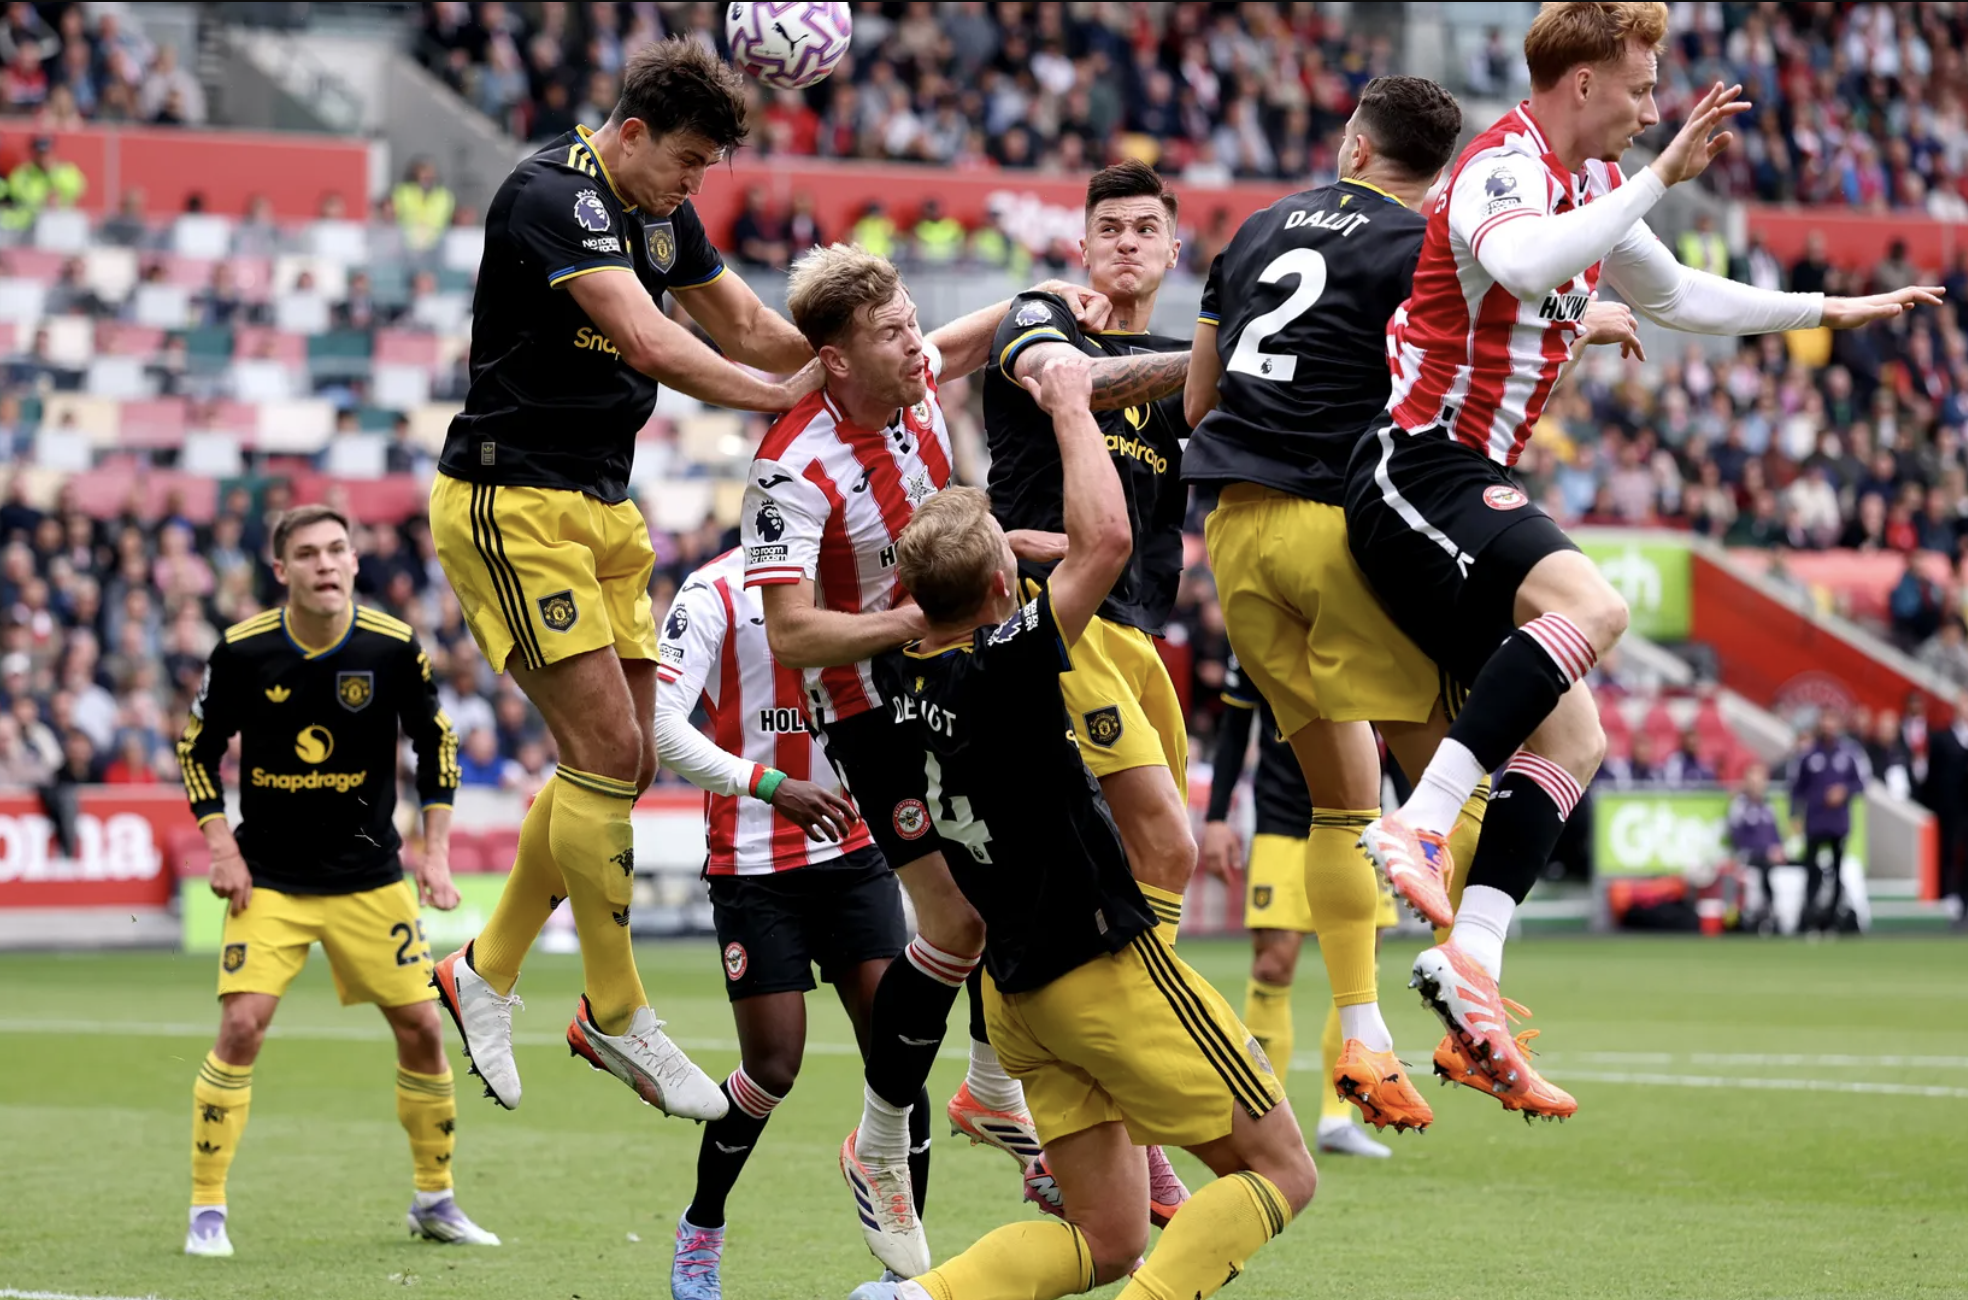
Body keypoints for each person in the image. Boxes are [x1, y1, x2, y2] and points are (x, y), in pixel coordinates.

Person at [1340, 2, 1941, 1113]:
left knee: (1579, 735)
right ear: (1580, 83)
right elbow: (1522, 267)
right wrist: (1657, 174)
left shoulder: (1596, 193)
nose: (1656, 105)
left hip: (1467, 482)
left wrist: (1833, 309)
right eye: (1642, 85)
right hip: (1412, 468)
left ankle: (1470, 979)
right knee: (1598, 609)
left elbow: (1680, 297)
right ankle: (1418, 823)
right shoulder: (1500, 168)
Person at [426, 38, 837, 1125]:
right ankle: (616, 1008)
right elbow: (652, 339)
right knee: (610, 750)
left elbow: (746, 322)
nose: (695, 184)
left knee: (617, 752)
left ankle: (485, 967)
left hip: (603, 504)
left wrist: (845, 371)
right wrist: (776, 400)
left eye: (708, 169)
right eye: (688, 162)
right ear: (634, 132)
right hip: (512, 501)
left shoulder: (661, 208)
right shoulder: (550, 194)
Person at [849, 352, 1315, 1300]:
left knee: (1106, 1240)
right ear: (996, 592)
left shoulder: (898, 675)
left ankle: (915, 1299)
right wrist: (1067, 403)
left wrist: (987, 552)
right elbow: (1104, 542)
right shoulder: (1006, 667)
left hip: (1016, 997)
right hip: (1096, 963)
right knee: (1280, 1171)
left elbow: (942, 600)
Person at [743, 243, 1110, 1275]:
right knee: (957, 917)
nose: (918, 346)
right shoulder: (791, 467)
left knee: (1009, 883)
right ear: (835, 361)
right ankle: (879, 1140)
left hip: (958, 664)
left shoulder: (905, 379)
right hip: (871, 702)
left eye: (914, 323)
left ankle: (989, 1089)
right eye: (893, 333)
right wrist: (905, 618)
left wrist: (1049, 300)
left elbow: (975, 333)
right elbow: (793, 636)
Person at [1182, 75, 1483, 1132]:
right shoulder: (1425, 246)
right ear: (1435, 167)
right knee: (1454, 767)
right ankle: (1469, 988)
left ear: (1356, 143)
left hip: (1233, 537)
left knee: (1344, 797)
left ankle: (1361, 1031)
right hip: (1333, 524)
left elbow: (1195, 400)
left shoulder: (1257, 227)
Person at [175, 505, 490, 1258]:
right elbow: (196, 751)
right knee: (242, 1026)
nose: (325, 563)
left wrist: (435, 852)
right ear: (280, 571)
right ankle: (206, 1210)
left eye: (337, 550)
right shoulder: (244, 652)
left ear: (354, 562)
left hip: (371, 877)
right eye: (308, 553)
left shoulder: (391, 646)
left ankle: (435, 1198)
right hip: (272, 883)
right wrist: (221, 848)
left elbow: (434, 744)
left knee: (421, 1029)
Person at [652, 548, 927, 1299]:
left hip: (855, 850)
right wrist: (771, 784)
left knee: (899, 1055)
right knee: (774, 1067)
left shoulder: (873, 574)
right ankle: (702, 1227)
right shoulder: (711, 591)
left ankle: (902, 1279)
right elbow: (659, 725)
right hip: (750, 864)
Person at [985, 159, 1195, 956]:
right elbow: (1070, 385)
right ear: (1081, 245)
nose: (1127, 243)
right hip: (1054, 618)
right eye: (1109, 229)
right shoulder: (1037, 321)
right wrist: (1214, 364)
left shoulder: (1187, 365)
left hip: (1139, 627)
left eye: (1146, 229)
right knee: (1157, 847)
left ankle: (1001, 1073)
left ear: (1175, 251)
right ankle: (1157, 1026)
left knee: (1153, 861)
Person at [1200, 654, 1397, 1157]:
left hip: (1364, 822)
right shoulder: (1256, 630)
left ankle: (1339, 1117)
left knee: (1357, 970)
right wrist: (1218, 816)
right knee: (1273, 962)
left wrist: (1421, 823)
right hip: (1282, 821)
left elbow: (1398, 730)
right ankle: (1264, 1119)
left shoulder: (1364, 622)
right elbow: (1235, 728)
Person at [1789, 708, 1868, 934]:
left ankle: (1832, 920)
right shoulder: (1809, 755)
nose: (1828, 725)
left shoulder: (1848, 753)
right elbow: (1797, 789)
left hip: (1838, 823)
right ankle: (1808, 919)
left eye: (1832, 719)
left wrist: (1844, 791)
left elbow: (1860, 783)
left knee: (1837, 871)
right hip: (1815, 821)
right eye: (1825, 719)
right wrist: (1795, 814)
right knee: (1812, 871)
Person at [1727, 761, 1786, 934]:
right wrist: (1765, 851)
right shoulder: (1739, 805)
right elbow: (1736, 837)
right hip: (1748, 856)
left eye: (1761, 780)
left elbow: (1776, 835)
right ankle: (1762, 914)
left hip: (1768, 857)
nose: (1758, 784)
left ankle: (1783, 916)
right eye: (1753, 779)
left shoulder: (1768, 806)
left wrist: (1778, 849)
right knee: (1763, 867)